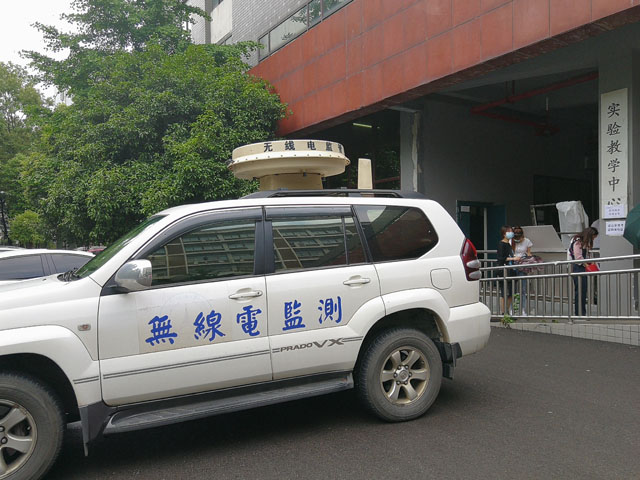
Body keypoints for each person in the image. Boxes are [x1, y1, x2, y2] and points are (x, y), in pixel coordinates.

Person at [568, 226, 599, 316]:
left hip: (581, 268)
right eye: (593, 237)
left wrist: (590, 262)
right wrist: (588, 265)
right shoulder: (578, 242)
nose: (593, 239)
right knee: (580, 292)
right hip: (578, 268)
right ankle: (579, 313)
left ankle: (581, 312)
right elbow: (578, 258)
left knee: (583, 291)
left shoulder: (583, 242)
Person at [497, 226, 518, 315]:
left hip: (511, 270)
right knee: (504, 292)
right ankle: (503, 312)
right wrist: (513, 258)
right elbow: (501, 258)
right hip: (504, 271)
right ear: (504, 234)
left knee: (512, 292)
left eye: (511, 231)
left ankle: (507, 311)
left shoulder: (508, 244)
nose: (511, 233)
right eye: (508, 231)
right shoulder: (501, 244)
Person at [512, 226, 533, 315]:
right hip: (513, 265)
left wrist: (529, 258)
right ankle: (512, 308)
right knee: (513, 288)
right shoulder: (511, 241)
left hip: (523, 265)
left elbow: (529, 253)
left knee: (523, 289)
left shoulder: (527, 241)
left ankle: (523, 309)